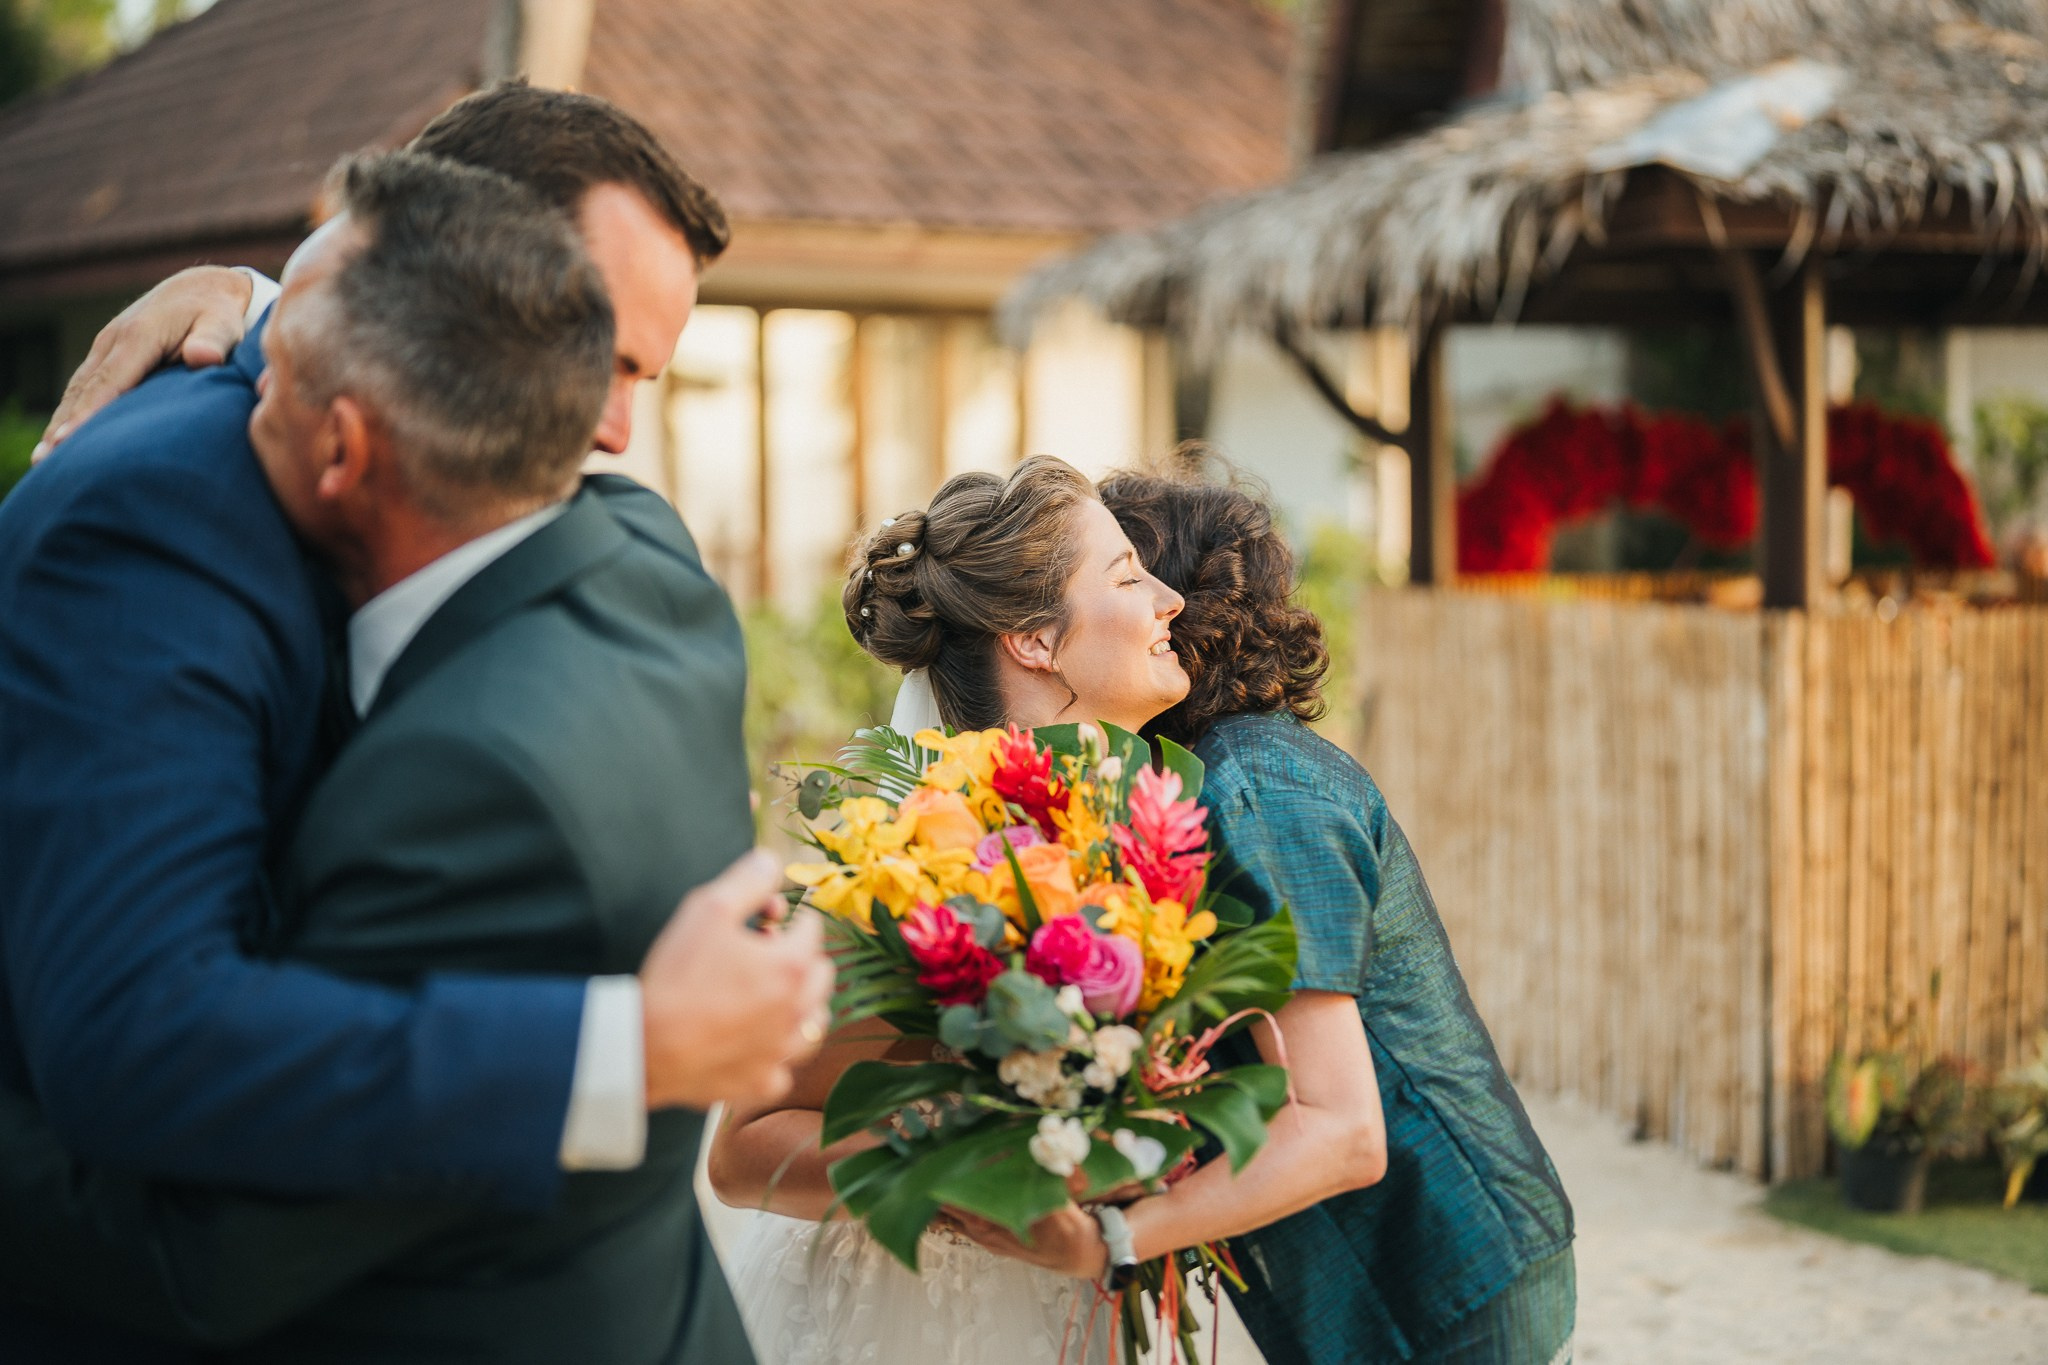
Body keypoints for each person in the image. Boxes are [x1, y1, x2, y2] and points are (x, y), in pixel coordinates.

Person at [0, 95, 828, 1362]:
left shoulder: (604, 531)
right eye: (600, 353)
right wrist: (620, 1051)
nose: (608, 432)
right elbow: (138, 1033)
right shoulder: (163, 527)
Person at [706, 454, 1390, 1365]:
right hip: (907, 1313)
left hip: (1072, 1303)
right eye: (1125, 575)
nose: (1170, 599)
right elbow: (742, 1151)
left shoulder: (1164, 835)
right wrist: (970, 1163)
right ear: (1034, 640)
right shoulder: (915, 849)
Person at [986, 463, 1571, 1365]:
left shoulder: (1253, 786)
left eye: (1139, 572)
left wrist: (1123, 1237)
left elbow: (1341, 1133)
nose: (1155, 601)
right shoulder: (1218, 777)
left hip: (1439, 1268)